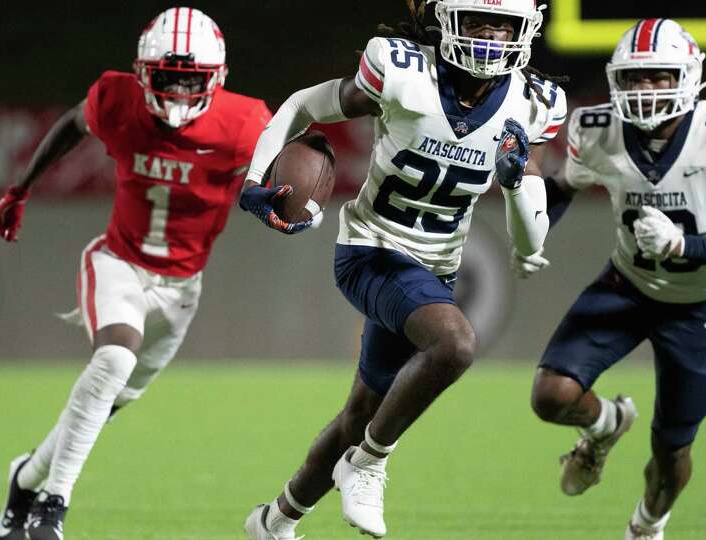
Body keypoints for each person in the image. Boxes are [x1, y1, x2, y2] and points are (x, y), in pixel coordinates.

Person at [234, 1, 566, 538]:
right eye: (477, 20)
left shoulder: (533, 103)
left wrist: (514, 184)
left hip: (437, 269)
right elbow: (303, 104)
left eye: (502, 24)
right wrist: (254, 181)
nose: (490, 35)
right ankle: (368, 463)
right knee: (455, 344)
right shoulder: (403, 71)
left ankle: (274, 521)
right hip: (371, 249)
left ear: (526, 30)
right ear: (447, 21)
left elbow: (531, 238)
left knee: (360, 413)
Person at [0, 8, 307, 540]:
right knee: (112, 358)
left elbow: (281, 170)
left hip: (182, 291)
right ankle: (52, 507)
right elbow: (73, 123)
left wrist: (286, 204)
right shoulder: (117, 100)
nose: (181, 93)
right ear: (143, 75)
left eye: (192, 80)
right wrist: (21, 187)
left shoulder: (245, 121)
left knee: (102, 403)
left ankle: (25, 477)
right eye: (169, 79)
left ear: (217, 79)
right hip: (118, 263)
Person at [519, 18, 706, 540]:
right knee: (551, 395)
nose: (646, 89)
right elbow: (562, 187)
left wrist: (684, 245)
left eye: (659, 76)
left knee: (671, 448)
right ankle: (605, 424)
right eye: (634, 78)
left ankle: (647, 525)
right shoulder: (599, 130)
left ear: (689, 76)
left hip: (700, 303)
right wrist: (530, 222)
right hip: (627, 284)